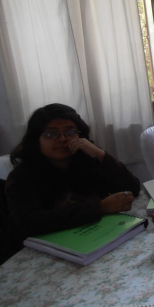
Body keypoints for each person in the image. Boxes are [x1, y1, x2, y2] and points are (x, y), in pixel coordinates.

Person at [5, 103, 140, 252]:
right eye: (51, 134)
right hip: (52, 249)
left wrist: (100, 154)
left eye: (70, 131)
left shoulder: (86, 160)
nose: (62, 139)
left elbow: (132, 188)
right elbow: (30, 222)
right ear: (36, 139)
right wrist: (100, 208)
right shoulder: (21, 177)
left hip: (99, 238)